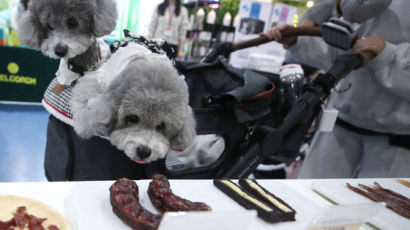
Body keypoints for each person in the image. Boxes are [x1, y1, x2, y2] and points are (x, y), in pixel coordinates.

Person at [265, 0, 410, 178]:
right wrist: (299, 42)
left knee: (378, 202)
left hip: (395, 139)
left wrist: (389, 55)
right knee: (311, 195)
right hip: (339, 123)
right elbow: (340, 53)